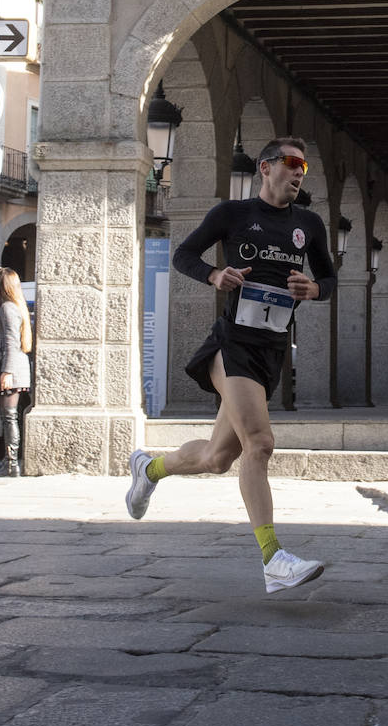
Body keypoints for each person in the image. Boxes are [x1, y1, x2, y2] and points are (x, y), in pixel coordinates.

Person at [126, 137, 336, 594]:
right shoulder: (232, 215)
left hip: (273, 348)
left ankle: (148, 468)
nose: (300, 172)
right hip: (232, 343)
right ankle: (272, 559)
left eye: (305, 166)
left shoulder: (309, 225)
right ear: (266, 167)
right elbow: (184, 254)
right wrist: (215, 275)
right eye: (293, 163)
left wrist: (313, 289)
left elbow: (330, 279)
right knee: (259, 444)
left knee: (219, 458)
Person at [0, 268, 32, 477]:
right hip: (13, 367)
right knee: (9, 417)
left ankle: (12, 463)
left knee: (9, 417)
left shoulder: (7, 308)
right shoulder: (14, 307)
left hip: (11, 368)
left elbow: (12, 342)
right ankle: (8, 461)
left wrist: (6, 371)